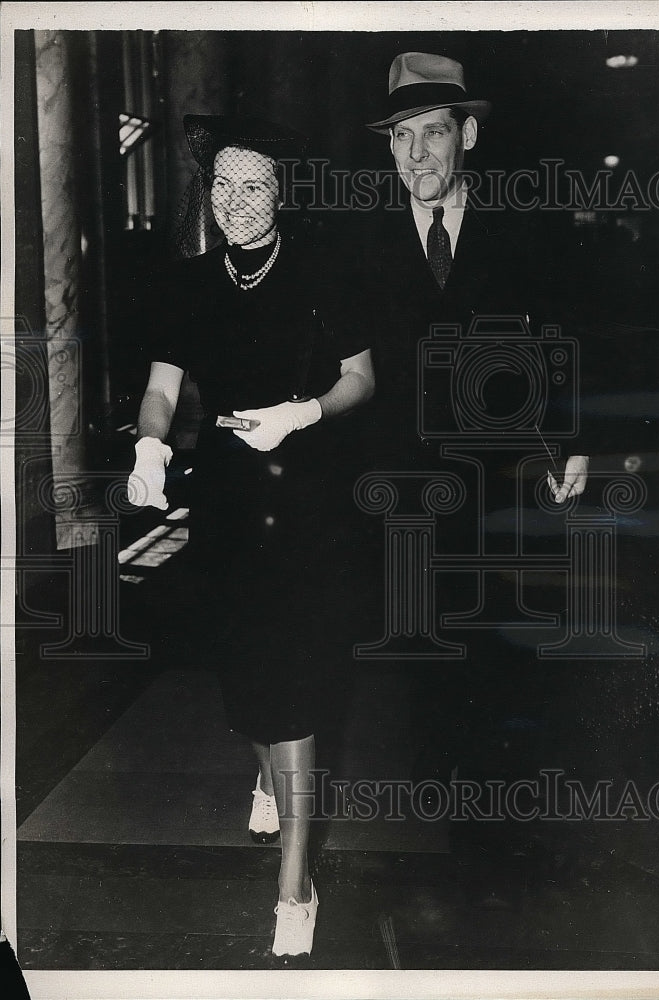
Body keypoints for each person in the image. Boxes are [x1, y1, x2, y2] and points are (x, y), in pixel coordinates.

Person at [127, 113, 374, 958]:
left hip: (307, 500)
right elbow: (162, 387)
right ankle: (269, 779)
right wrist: (151, 445)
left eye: (253, 185)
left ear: (282, 194)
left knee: (292, 681)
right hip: (230, 501)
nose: (235, 201)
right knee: (249, 673)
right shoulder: (187, 285)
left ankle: (294, 886)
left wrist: (299, 413)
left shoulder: (322, 270)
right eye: (222, 185)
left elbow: (360, 379)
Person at [350, 52, 592, 785]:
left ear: (468, 138)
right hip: (398, 485)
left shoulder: (526, 231)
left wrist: (574, 439)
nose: (415, 152)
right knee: (419, 656)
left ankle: (499, 820)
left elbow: (564, 337)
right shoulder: (354, 242)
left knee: (504, 649)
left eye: (431, 132)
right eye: (399, 136)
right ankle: (446, 805)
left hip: (503, 481)